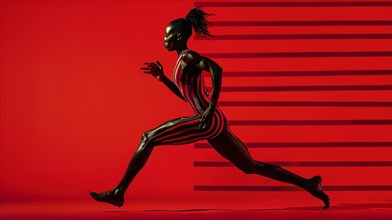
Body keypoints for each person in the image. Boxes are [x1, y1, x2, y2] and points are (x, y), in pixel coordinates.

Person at [89, 7, 330, 209]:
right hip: (214, 121)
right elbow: (187, 96)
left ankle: (119, 192)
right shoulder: (181, 61)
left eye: (168, 36)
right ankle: (309, 184)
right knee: (251, 166)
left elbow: (217, 69)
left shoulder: (189, 57)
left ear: (180, 37)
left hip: (208, 119)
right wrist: (162, 79)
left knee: (147, 138)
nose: (164, 39)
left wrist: (210, 108)